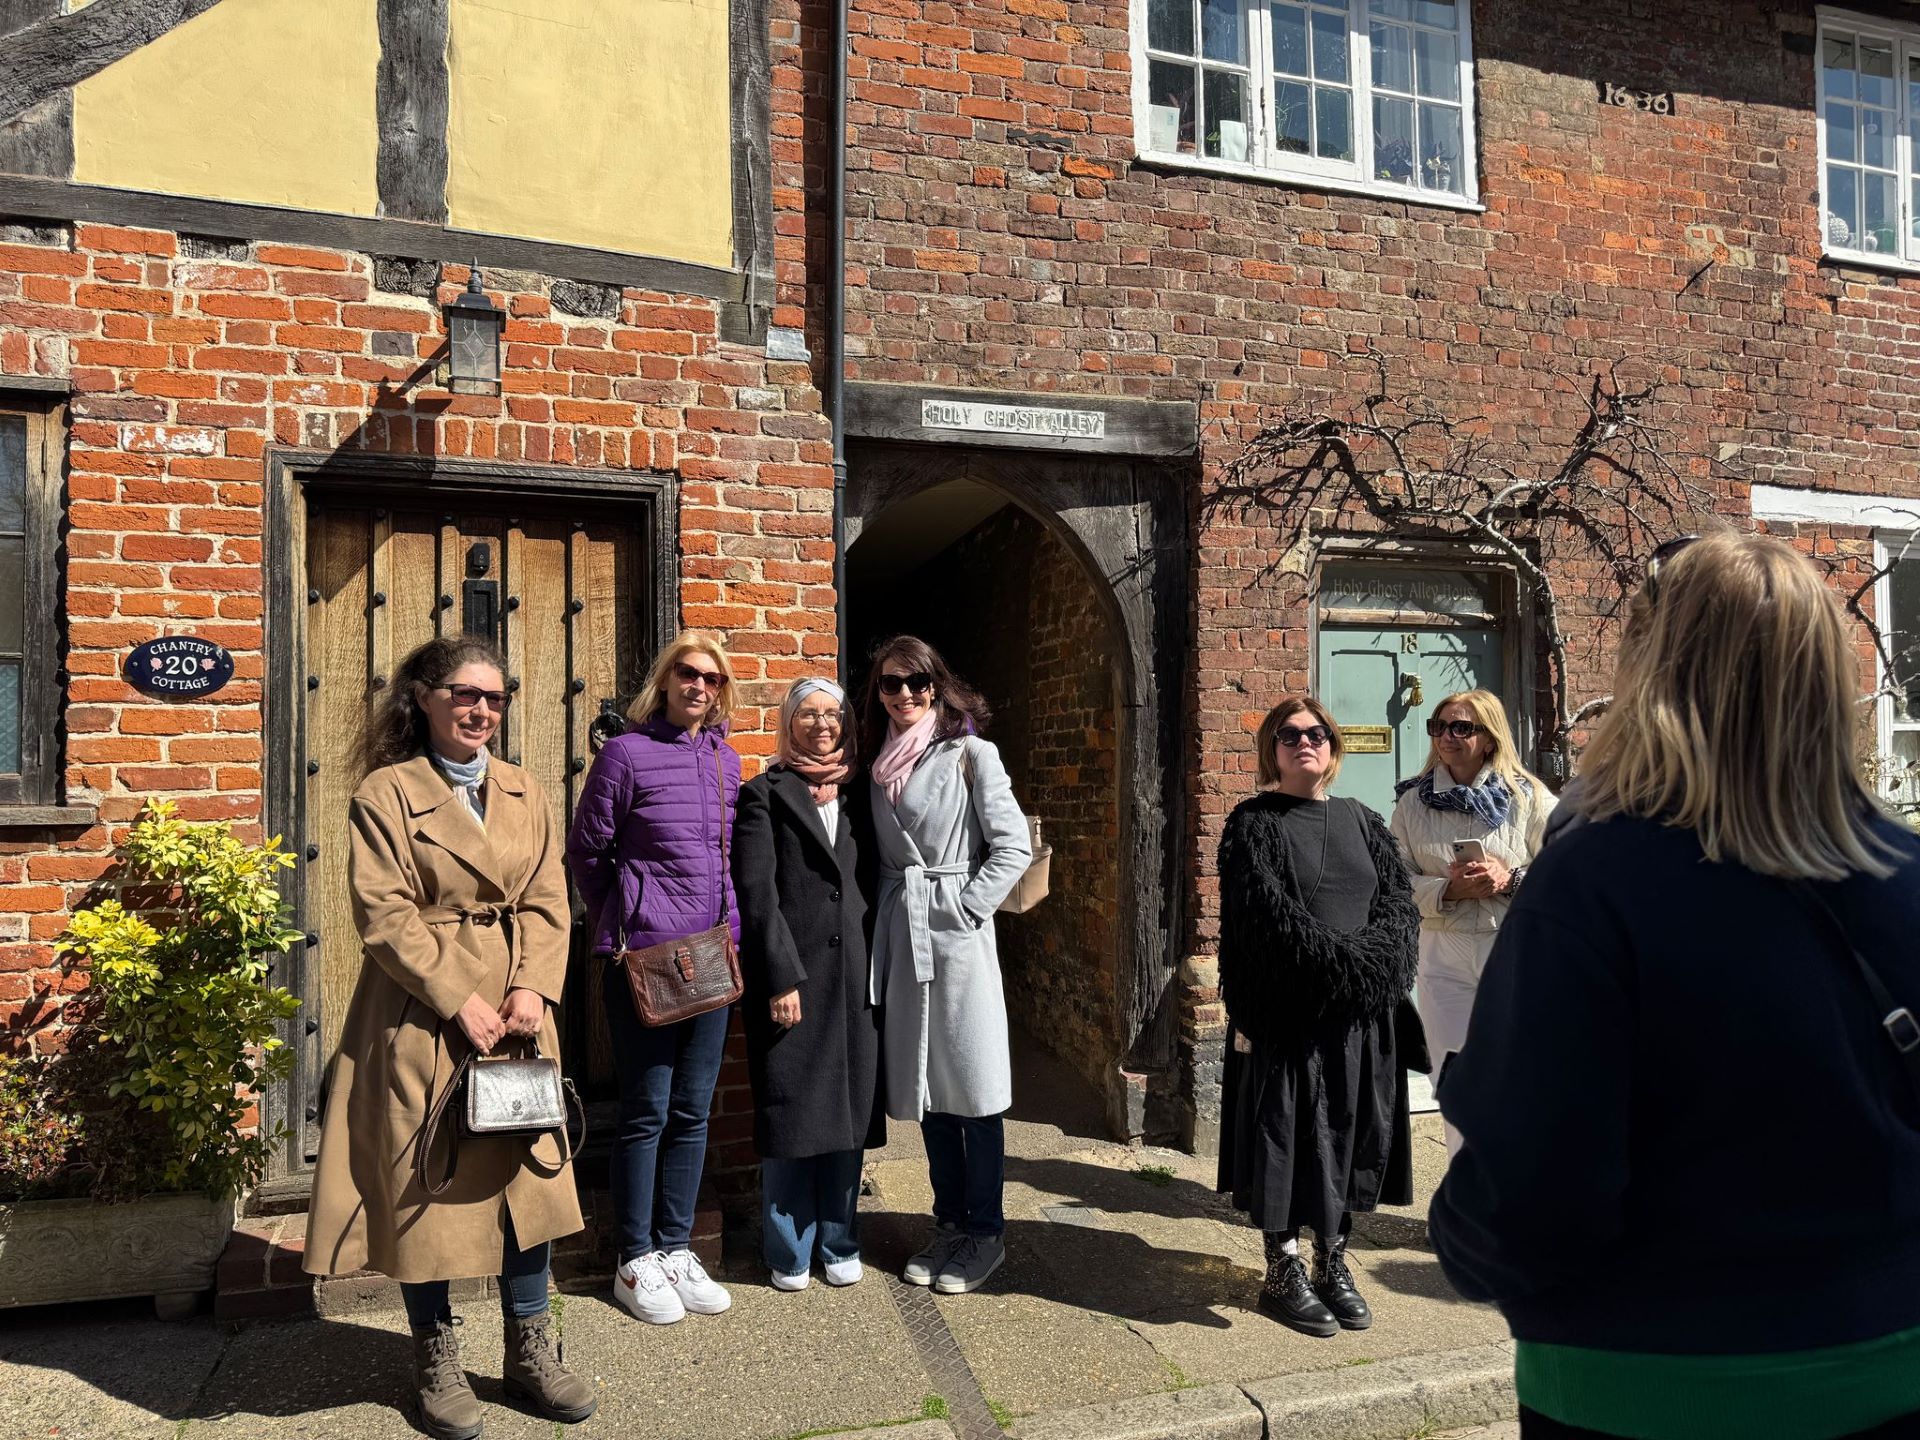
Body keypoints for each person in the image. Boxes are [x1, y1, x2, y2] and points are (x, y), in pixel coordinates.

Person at [1429, 532, 1920, 1440]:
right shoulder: (1905, 870)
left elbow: (1528, 1202)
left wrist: (1457, 1230)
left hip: (1647, 1388)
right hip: (1891, 1364)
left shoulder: (1597, 881)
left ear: (1655, 671)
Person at [305, 637, 595, 1440]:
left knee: (528, 1181)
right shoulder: (385, 792)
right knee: (422, 1179)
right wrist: (458, 998)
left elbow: (545, 895)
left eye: (495, 699)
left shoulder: (525, 790)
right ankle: (435, 1355)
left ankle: (531, 1350)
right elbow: (384, 914)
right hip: (420, 1013)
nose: (481, 711)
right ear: (425, 698)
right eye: (466, 694)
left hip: (521, 1012)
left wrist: (533, 984)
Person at [1216, 697, 1420, 1339]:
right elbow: (1269, 922)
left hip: (1359, 1020)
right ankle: (1283, 1267)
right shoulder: (1253, 823)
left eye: (1317, 733)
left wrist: (1367, 968)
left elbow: (1399, 910)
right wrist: (1344, 964)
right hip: (1291, 1013)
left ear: (1333, 746)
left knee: (1348, 1131)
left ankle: (1333, 1260)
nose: (1305, 742)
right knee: (1287, 1134)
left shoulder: (1363, 820)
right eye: (1289, 735)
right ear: (1271, 750)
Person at [568, 631, 741, 1326]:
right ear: (665, 680)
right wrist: (622, 918)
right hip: (643, 959)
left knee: (693, 1111)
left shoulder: (726, 763)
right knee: (646, 1112)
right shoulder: (625, 754)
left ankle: (674, 1247)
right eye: (688, 673)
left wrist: (735, 938)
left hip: (709, 959)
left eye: (712, 679)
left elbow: (725, 861)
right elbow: (587, 849)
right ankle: (632, 1259)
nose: (700, 686)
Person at [860, 636, 1032, 1295]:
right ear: (877, 693)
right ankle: (948, 1223)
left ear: (936, 687)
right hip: (905, 937)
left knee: (975, 1093)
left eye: (915, 683)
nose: (903, 695)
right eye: (889, 684)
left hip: (955, 937)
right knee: (930, 1094)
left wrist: (966, 909)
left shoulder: (970, 754)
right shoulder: (876, 765)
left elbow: (1013, 845)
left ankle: (984, 1232)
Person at [733, 677, 883, 1291]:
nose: (821, 725)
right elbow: (757, 894)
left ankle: (840, 1239)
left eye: (832, 714)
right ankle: (789, 1248)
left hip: (854, 980)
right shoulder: (763, 795)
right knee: (793, 1113)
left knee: (848, 1114)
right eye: (807, 715)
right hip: (793, 978)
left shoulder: (863, 794)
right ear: (788, 723)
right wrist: (778, 976)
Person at [1389, 689, 1556, 1156]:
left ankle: (1521, 1203)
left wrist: (1511, 876)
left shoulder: (1528, 797)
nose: (1446, 736)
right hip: (1442, 952)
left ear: (1488, 737)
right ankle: (1468, 1204)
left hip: (1513, 949)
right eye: (1438, 726)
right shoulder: (1412, 804)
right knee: (1456, 1079)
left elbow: (1568, 867)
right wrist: (1447, 889)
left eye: (1461, 727)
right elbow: (1391, 881)